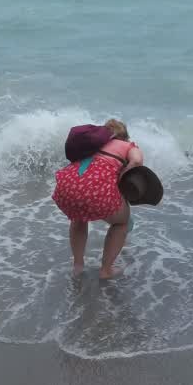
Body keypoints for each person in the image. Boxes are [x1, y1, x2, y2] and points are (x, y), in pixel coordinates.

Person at [52, 119, 143, 279]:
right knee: (121, 222)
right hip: (94, 190)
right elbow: (136, 161)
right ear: (125, 136)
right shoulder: (127, 146)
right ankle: (106, 270)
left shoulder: (92, 145)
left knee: (78, 218)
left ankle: (78, 266)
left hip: (67, 185)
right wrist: (123, 175)